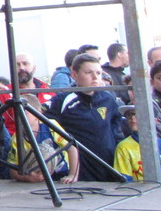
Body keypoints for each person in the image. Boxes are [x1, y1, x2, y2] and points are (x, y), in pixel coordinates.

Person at [43, 54, 124, 182]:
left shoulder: (108, 98)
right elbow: (43, 123)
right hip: (80, 169)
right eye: (89, 73)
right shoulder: (62, 100)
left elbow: (116, 126)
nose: (95, 77)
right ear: (74, 74)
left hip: (108, 165)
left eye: (98, 73)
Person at [7, 94, 77, 183]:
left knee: (46, 151)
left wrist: (72, 175)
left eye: (24, 112)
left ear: (37, 114)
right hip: (37, 178)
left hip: (61, 174)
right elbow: (13, 169)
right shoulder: (17, 138)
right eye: (15, 112)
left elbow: (72, 148)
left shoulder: (50, 125)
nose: (18, 116)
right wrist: (27, 177)